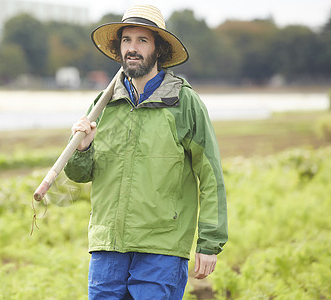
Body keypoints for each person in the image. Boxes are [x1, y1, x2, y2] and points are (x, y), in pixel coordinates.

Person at [64, 5, 228, 299]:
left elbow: (211, 176)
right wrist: (83, 148)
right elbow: (78, 174)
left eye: (142, 40)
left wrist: (209, 242)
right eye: (127, 40)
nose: (133, 48)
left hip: (161, 247)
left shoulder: (184, 103)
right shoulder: (104, 103)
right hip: (107, 246)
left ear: (159, 49)